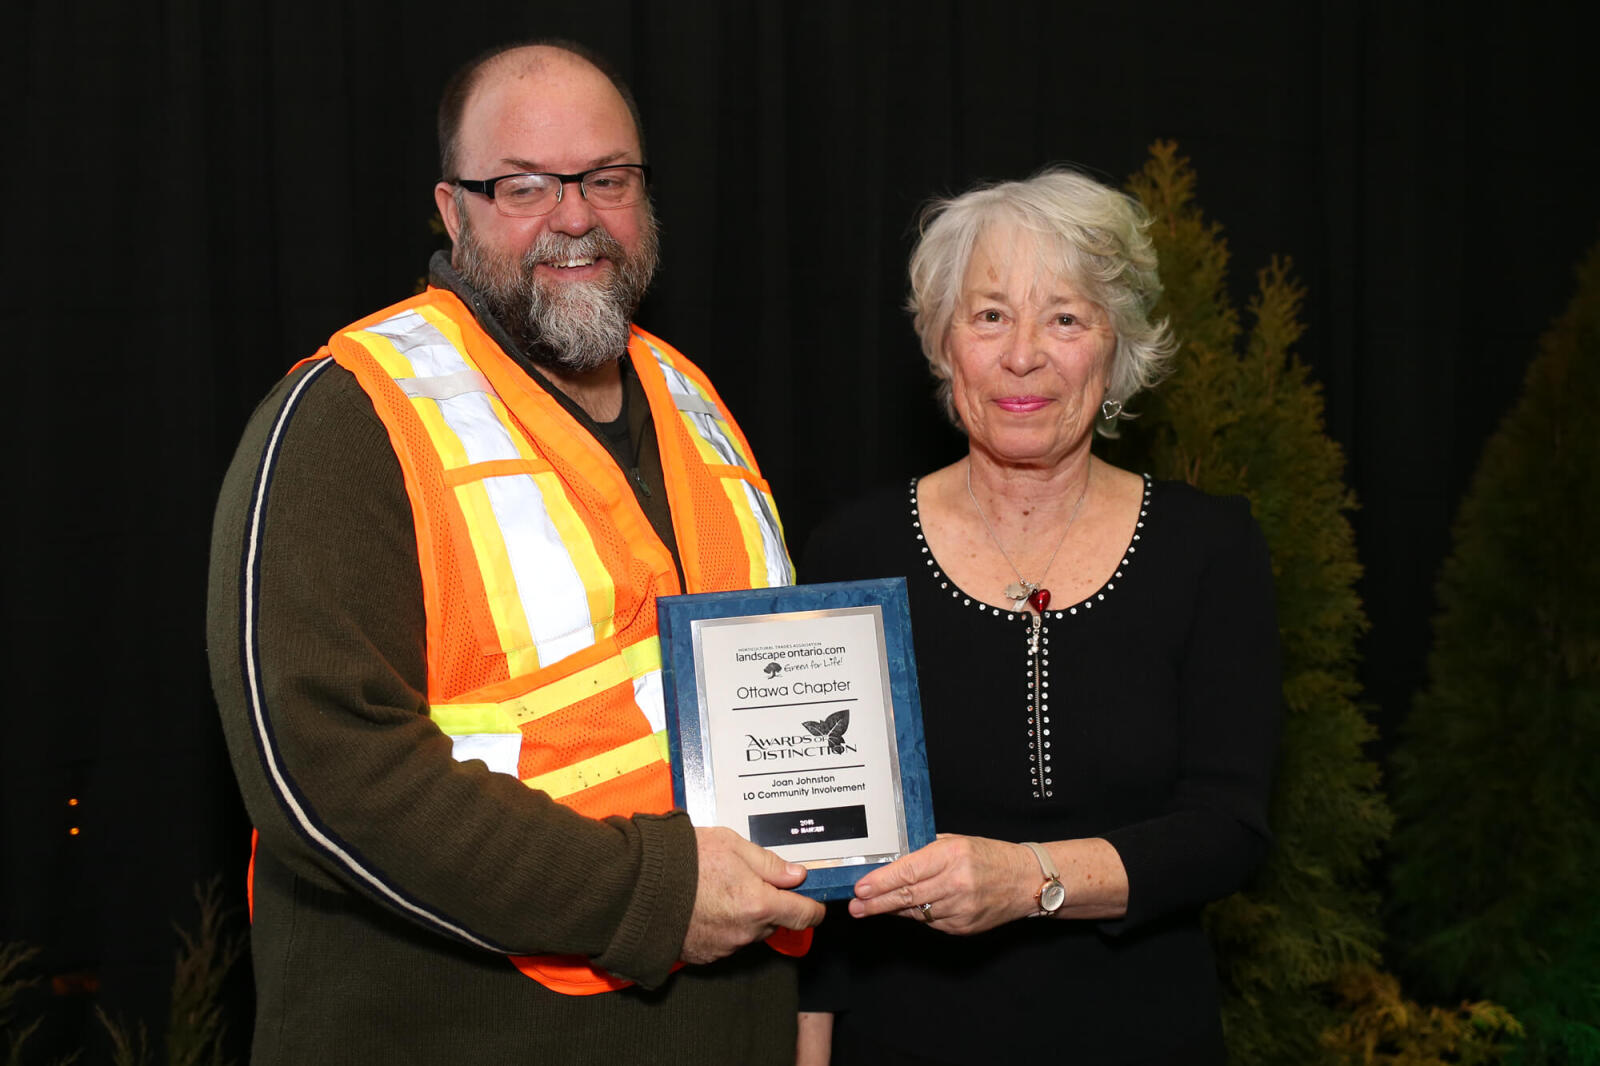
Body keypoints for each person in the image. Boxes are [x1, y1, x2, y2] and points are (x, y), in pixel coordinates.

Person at [207, 40, 823, 1065]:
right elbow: (320, 770)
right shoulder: (348, 417)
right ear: (451, 211)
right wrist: (650, 894)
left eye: (608, 180)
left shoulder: (690, 396)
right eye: (524, 185)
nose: (576, 216)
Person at [794, 169, 1282, 1065]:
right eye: (988, 316)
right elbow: (820, 857)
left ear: (1117, 344)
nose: (1024, 355)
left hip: (1144, 1038)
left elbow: (1228, 830)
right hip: (903, 1041)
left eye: (1065, 316)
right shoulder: (851, 552)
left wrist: (1029, 880)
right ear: (944, 344)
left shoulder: (1210, 549)